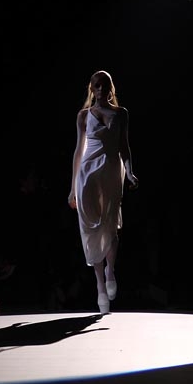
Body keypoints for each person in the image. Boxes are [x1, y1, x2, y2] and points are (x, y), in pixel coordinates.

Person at [68, 70, 139, 314]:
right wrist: (72, 189)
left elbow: (124, 146)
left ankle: (110, 272)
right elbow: (78, 151)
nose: (101, 89)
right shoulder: (83, 115)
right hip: (88, 172)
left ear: (111, 87)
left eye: (105, 84)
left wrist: (130, 173)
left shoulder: (121, 113)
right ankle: (99, 284)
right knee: (91, 226)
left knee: (110, 225)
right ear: (92, 88)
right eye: (97, 85)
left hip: (111, 171)